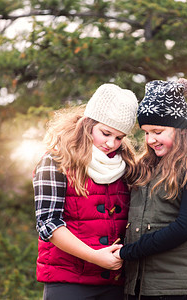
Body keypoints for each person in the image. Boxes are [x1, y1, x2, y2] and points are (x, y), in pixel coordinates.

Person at [114, 78, 187, 299]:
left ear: (180, 128)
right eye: (146, 132)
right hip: (141, 284)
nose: (150, 140)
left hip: (181, 287)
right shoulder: (147, 166)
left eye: (157, 131)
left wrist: (128, 252)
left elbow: (185, 227)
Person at [33, 83, 138, 300]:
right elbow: (48, 224)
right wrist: (95, 256)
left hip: (115, 283)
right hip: (68, 283)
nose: (111, 143)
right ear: (87, 123)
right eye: (106, 133)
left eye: (119, 138)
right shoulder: (55, 161)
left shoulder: (125, 165)